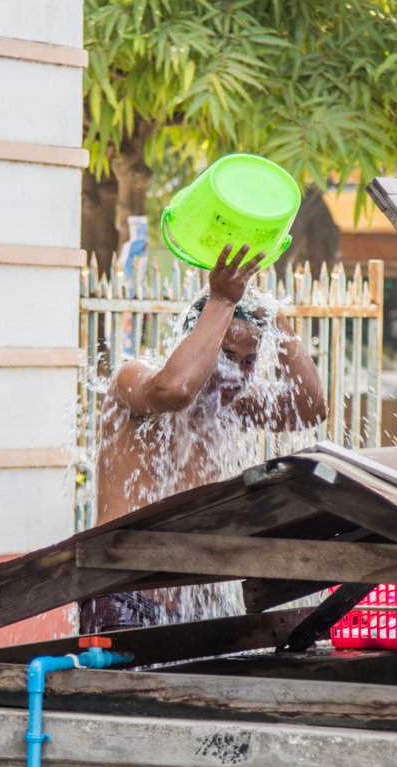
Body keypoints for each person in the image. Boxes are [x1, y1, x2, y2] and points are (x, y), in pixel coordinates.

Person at [83, 243, 328, 632]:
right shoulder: (133, 380)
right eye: (225, 355)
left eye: (249, 362)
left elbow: (311, 409)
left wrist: (277, 319)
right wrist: (221, 299)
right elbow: (176, 389)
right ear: (197, 342)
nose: (237, 374)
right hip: (127, 599)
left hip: (199, 610)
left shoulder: (233, 403)